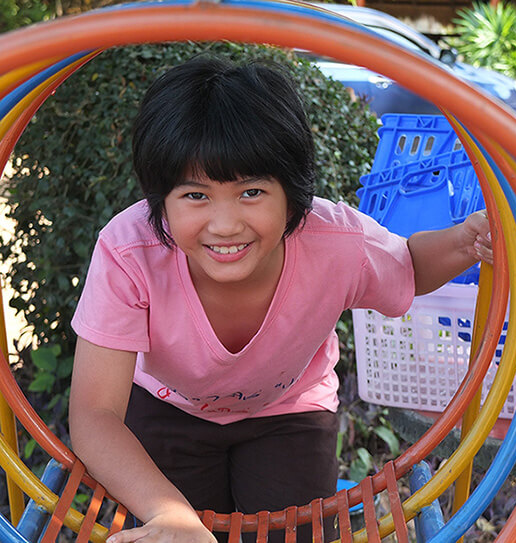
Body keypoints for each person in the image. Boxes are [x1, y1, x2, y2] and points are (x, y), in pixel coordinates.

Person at [68, 55, 493, 543]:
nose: (225, 225)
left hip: (288, 411)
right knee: (178, 532)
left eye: (251, 192)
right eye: (195, 196)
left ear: (291, 194)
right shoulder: (130, 252)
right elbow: (95, 413)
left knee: (290, 534)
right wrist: (170, 514)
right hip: (169, 406)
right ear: (160, 199)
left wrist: (465, 242)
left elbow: (408, 267)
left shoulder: (335, 243)